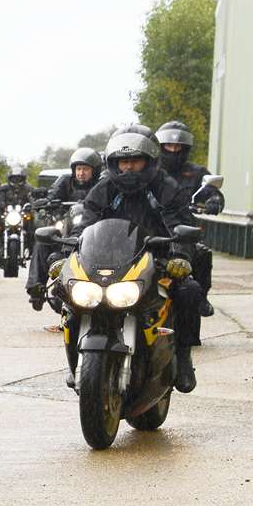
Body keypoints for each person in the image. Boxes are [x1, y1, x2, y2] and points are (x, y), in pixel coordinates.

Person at [81, 125, 204, 392]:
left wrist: (180, 255)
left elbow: (180, 223)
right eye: (123, 162)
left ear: (149, 161)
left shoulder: (165, 187)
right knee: (66, 289)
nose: (128, 168)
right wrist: (65, 251)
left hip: (156, 259)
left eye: (135, 161)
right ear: (114, 163)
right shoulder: (104, 188)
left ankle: (183, 357)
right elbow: (85, 224)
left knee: (189, 291)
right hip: (107, 261)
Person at [156, 121, 221, 312]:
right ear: (161, 147)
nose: (174, 150)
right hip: (150, 227)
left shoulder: (196, 172)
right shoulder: (151, 171)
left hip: (182, 232)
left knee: (201, 254)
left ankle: (200, 298)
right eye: (169, 146)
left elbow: (211, 190)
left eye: (178, 147)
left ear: (185, 148)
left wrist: (214, 200)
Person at [28, 148, 101, 308]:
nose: (81, 173)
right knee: (43, 241)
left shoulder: (102, 184)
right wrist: (45, 201)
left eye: (86, 169)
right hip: (66, 228)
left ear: (94, 171)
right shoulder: (65, 181)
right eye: (78, 169)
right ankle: (35, 288)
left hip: (95, 232)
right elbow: (52, 195)